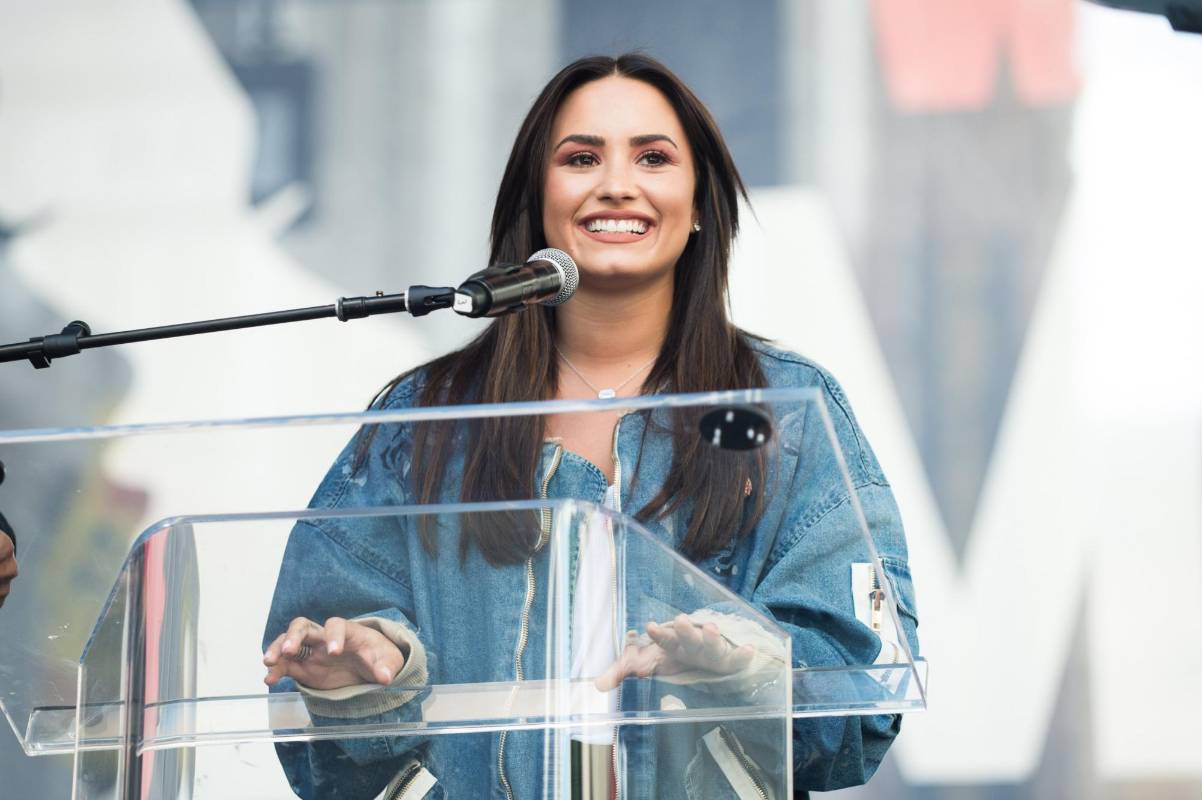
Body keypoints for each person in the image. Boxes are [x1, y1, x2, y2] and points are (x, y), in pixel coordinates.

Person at [262, 53, 919, 800]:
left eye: (653, 157)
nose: (616, 183)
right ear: (536, 201)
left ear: (700, 200)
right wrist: (362, 682)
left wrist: (747, 667)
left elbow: (864, 696)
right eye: (581, 158)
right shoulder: (425, 420)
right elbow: (327, 713)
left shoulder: (786, 411)